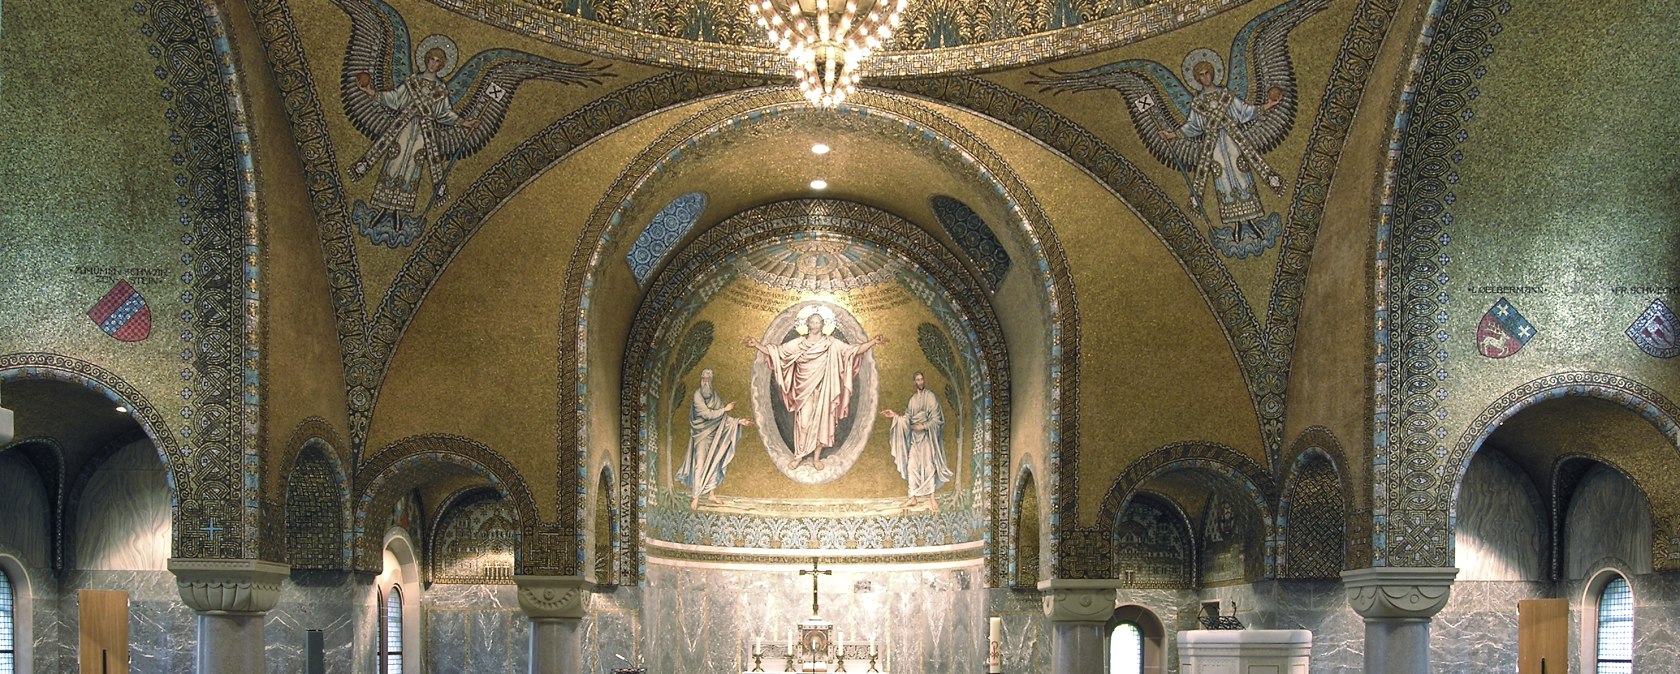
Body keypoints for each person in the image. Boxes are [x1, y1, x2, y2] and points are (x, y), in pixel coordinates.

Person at [351, 47, 480, 236]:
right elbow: (394, 98)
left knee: (412, 168)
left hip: (423, 135)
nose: (433, 64)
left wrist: (464, 123)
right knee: (394, 162)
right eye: (431, 59)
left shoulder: (440, 90)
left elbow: (444, 113)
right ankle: (384, 208)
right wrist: (370, 91)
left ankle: (397, 212)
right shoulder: (412, 82)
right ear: (425, 60)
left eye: (437, 61)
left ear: (442, 66)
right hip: (403, 128)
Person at [744, 306, 886, 471]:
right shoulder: (799, 343)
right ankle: (799, 455)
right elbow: (778, 352)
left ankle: (816, 458)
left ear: (823, 324)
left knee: (822, 422)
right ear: (807, 324)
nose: (815, 323)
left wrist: (873, 342)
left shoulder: (831, 343)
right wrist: (757, 345)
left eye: (818, 321)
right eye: (812, 320)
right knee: (803, 422)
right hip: (804, 389)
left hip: (825, 389)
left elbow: (852, 351)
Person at [1158, 59, 1281, 243]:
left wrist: (1267, 105)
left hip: (1233, 142)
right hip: (1213, 148)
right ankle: (1237, 224)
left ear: (1213, 74)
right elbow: (1192, 126)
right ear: (1197, 79)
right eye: (1201, 75)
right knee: (1223, 181)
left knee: (1241, 175)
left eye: (1207, 73)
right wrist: (1172, 135)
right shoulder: (1198, 103)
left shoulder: (1226, 95)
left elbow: (1244, 111)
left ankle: (1251, 220)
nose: (1205, 77)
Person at [673, 369, 752, 509]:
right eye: (703, 378)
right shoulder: (698, 395)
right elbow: (707, 414)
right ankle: (696, 497)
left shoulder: (714, 396)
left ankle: (711, 494)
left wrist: (739, 421)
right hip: (701, 436)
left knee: (714, 462)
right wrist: (725, 409)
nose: (705, 381)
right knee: (700, 464)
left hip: (714, 435)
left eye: (708, 379)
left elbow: (723, 419)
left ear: (711, 380)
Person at [881, 372, 953, 512]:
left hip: (927, 437)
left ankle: (932, 498)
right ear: (915, 382)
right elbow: (907, 419)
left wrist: (924, 426)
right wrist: (895, 416)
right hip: (915, 437)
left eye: (921, 379)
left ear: (924, 380)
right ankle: (912, 497)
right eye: (917, 380)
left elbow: (937, 418)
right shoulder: (912, 400)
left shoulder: (930, 396)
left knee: (928, 466)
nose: (920, 382)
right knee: (912, 466)